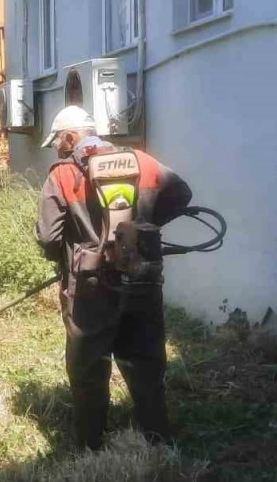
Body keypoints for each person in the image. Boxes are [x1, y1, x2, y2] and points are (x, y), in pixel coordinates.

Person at [34, 105, 193, 451]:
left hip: (91, 288)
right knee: (146, 356)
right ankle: (158, 438)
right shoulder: (143, 162)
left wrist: (66, 257)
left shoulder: (62, 175)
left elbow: (48, 238)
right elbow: (182, 195)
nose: (58, 149)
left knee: (88, 364)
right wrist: (142, 230)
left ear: (71, 137)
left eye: (58, 142)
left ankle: (90, 445)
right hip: (142, 278)